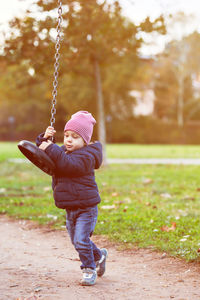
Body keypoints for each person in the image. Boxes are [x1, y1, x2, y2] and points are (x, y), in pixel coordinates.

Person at [36, 111, 108, 286]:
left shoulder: (86, 157)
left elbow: (67, 166)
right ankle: (99, 255)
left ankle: (89, 270)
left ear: (85, 141)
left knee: (81, 240)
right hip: (71, 207)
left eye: (75, 137)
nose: (68, 140)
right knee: (77, 242)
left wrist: (51, 148)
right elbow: (45, 153)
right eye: (67, 135)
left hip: (86, 208)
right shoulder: (63, 152)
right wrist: (44, 138)